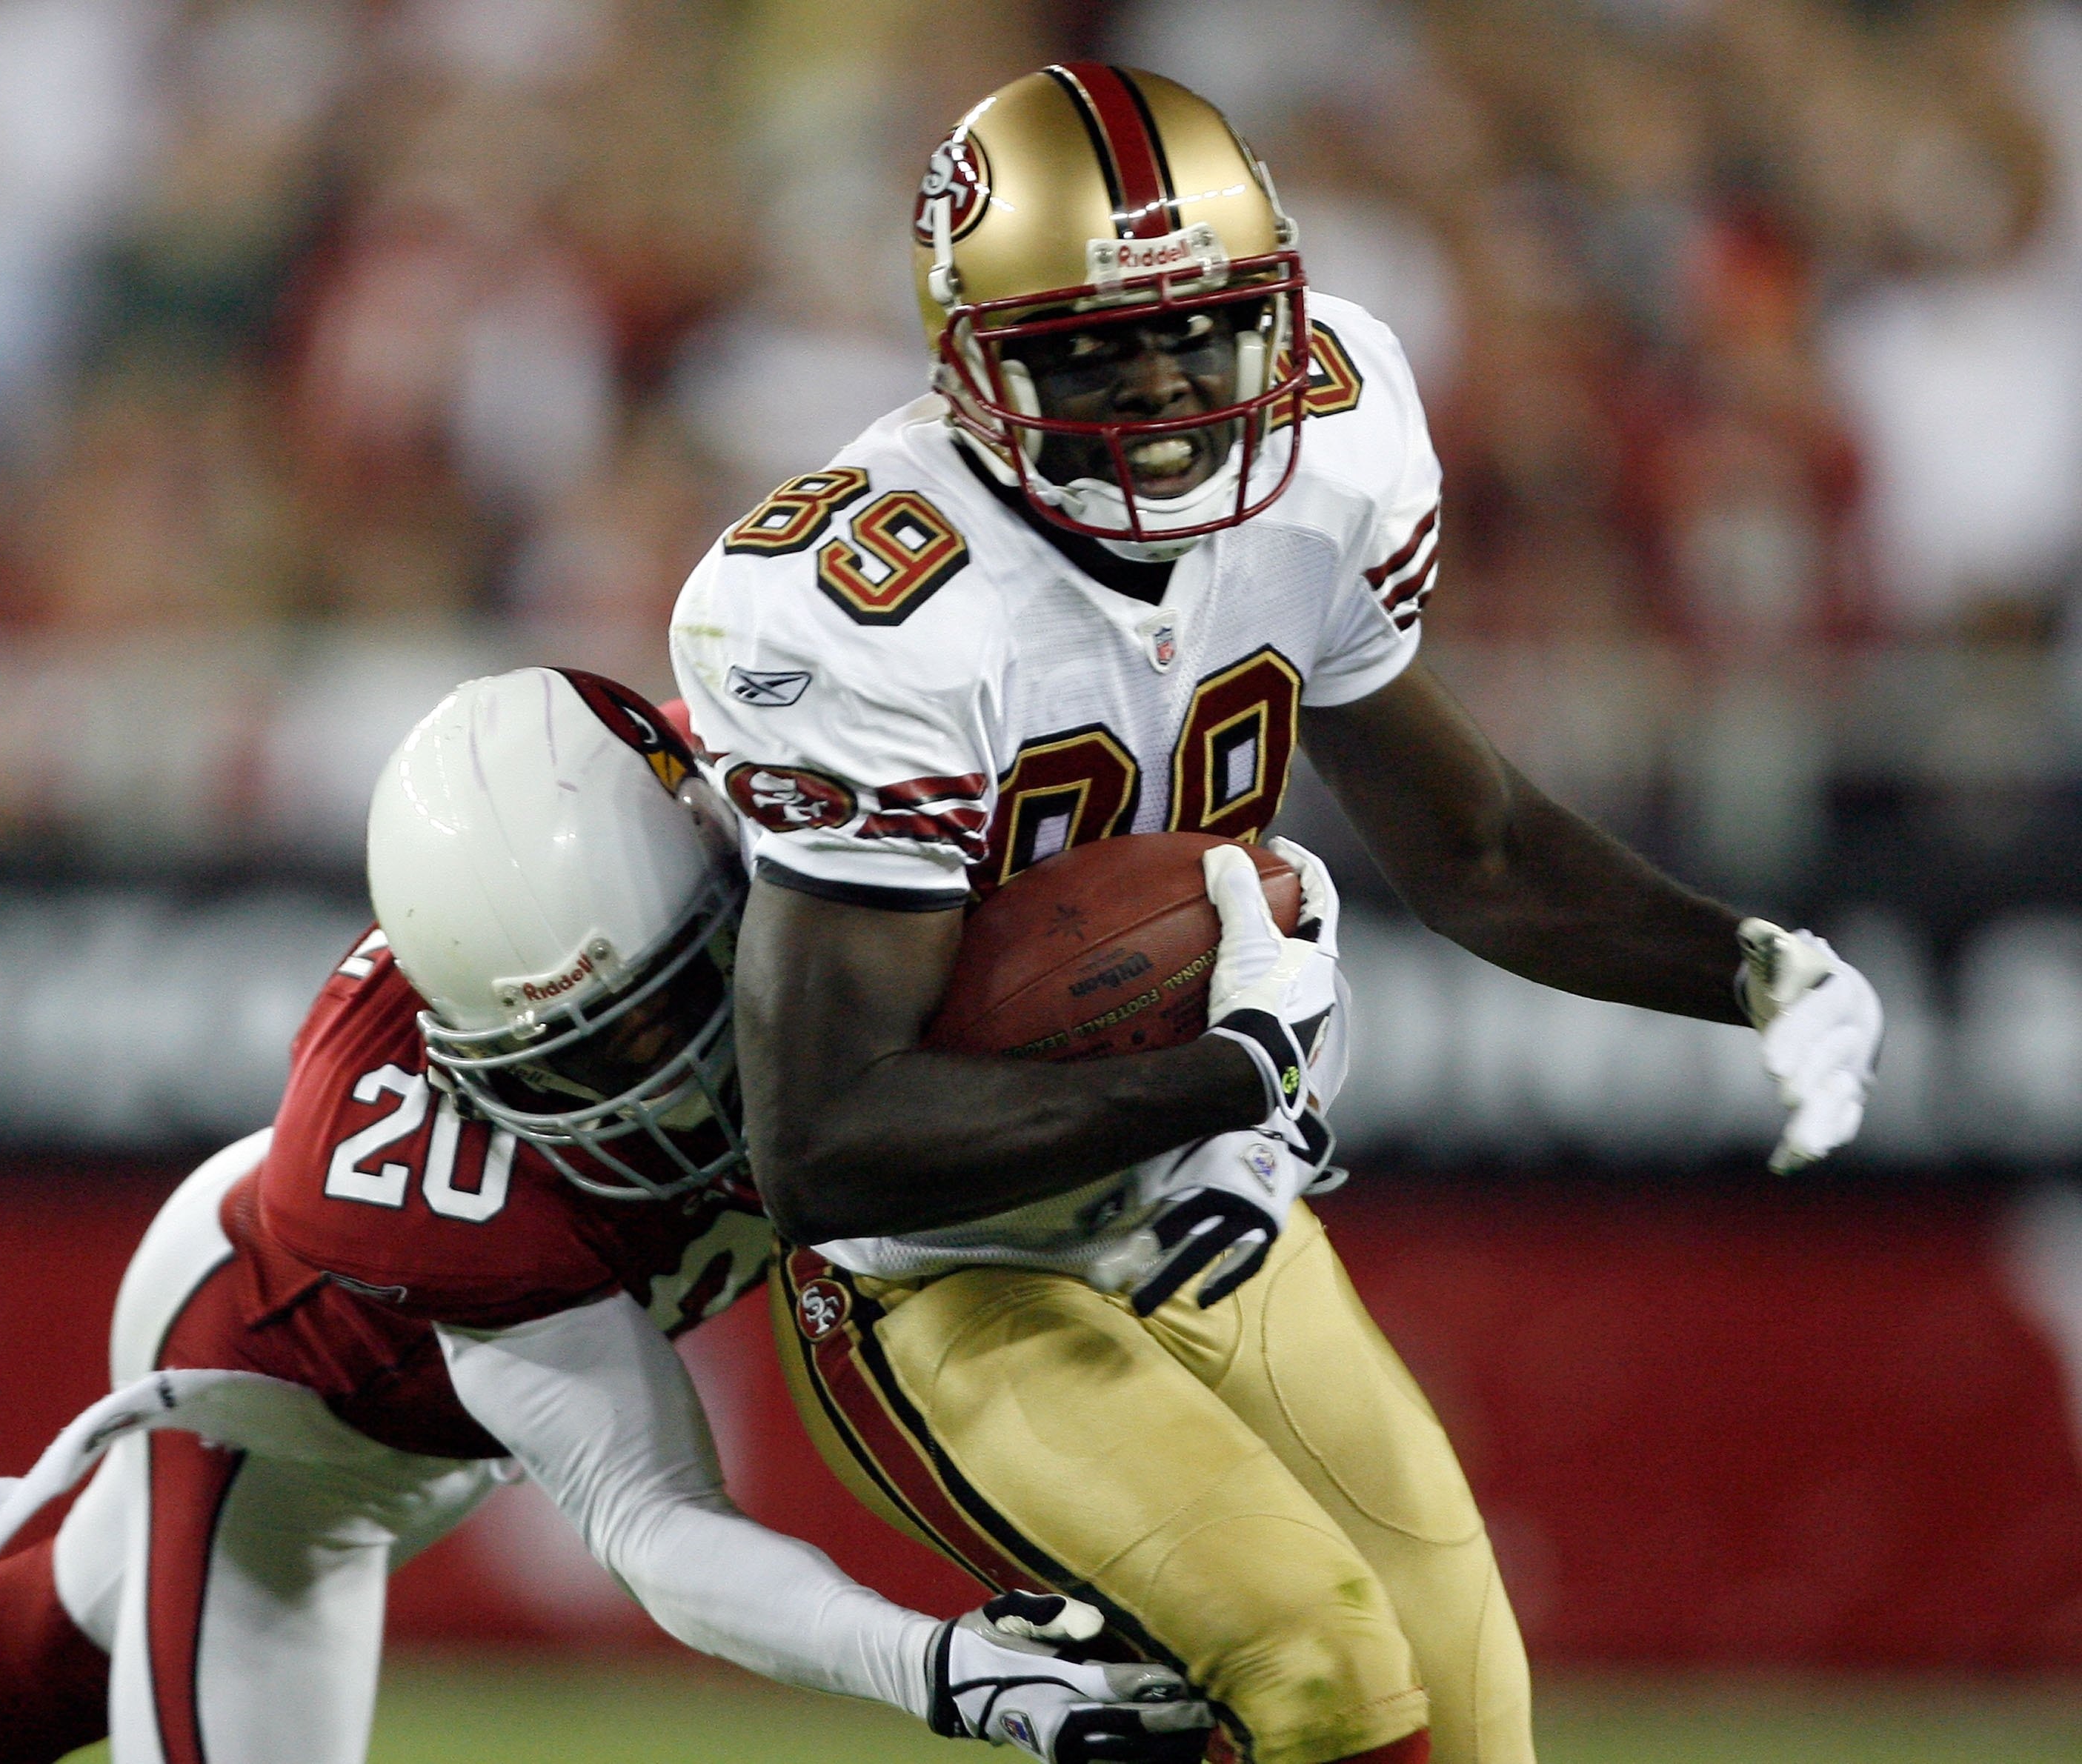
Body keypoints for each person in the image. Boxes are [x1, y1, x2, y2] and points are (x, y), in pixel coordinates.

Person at [670, 64, 1885, 1764]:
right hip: (942, 1276)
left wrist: (1753, 971)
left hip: (1210, 1209)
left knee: (1473, 1713)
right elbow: (826, 1143)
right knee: (1322, 1676)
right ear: (970, 365)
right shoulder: (866, 607)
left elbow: (1478, 852)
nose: (1165, 387)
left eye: (1203, 329)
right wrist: (1229, 1078)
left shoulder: (1333, 445)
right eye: (1093, 348)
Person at [0, 668, 1211, 1764]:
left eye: (664, 1019)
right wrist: (939, 1667)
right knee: (175, 1602)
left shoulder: (799, 803)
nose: (645, 1096)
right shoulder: (419, 1179)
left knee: (63, 1629)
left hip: (424, 1429)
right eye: (571, 1066)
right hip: (271, 1416)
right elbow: (651, 1516)